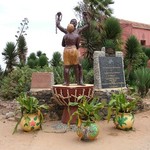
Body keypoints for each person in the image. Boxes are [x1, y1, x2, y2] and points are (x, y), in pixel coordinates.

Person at [56, 12, 89, 85]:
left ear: (76, 24)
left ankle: (79, 81)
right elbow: (58, 25)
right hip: (74, 50)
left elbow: (87, 25)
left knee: (75, 66)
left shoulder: (76, 31)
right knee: (75, 66)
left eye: (75, 22)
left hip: (69, 50)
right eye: (72, 22)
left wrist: (86, 17)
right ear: (70, 24)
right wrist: (58, 18)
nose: (74, 23)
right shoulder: (68, 31)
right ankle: (69, 81)